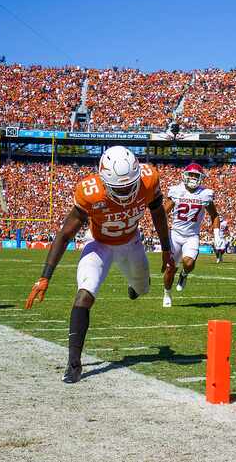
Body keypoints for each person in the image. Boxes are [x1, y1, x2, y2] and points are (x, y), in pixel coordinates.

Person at [24, 146, 175, 383]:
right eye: (119, 187)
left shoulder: (148, 179)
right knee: (84, 294)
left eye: (129, 185)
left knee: (143, 289)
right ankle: (73, 364)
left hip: (132, 243)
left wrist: (166, 249)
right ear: (104, 180)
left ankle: (135, 288)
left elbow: (158, 213)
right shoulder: (90, 192)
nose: (125, 191)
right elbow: (65, 234)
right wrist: (45, 276)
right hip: (99, 245)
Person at [162, 163, 220, 307]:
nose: (193, 178)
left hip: (192, 235)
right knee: (170, 268)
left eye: (196, 175)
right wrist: (163, 232)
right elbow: (163, 213)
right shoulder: (176, 191)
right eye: (191, 175)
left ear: (201, 178)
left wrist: (217, 235)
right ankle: (167, 293)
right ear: (185, 176)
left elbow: (215, 215)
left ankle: (184, 275)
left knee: (189, 263)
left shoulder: (205, 194)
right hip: (175, 234)